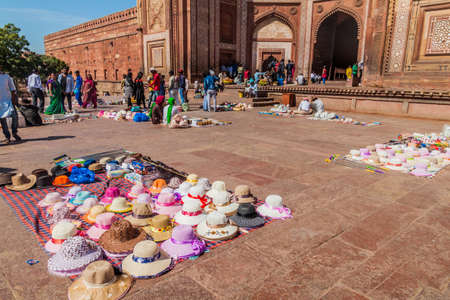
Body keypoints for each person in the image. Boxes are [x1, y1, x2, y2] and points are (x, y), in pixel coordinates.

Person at [0, 67, 21, 143]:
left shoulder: (6, 76)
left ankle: (14, 132)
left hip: (8, 101)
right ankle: (7, 136)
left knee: (15, 117)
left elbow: (13, 89)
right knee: (3, 120)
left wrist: (13, 99)